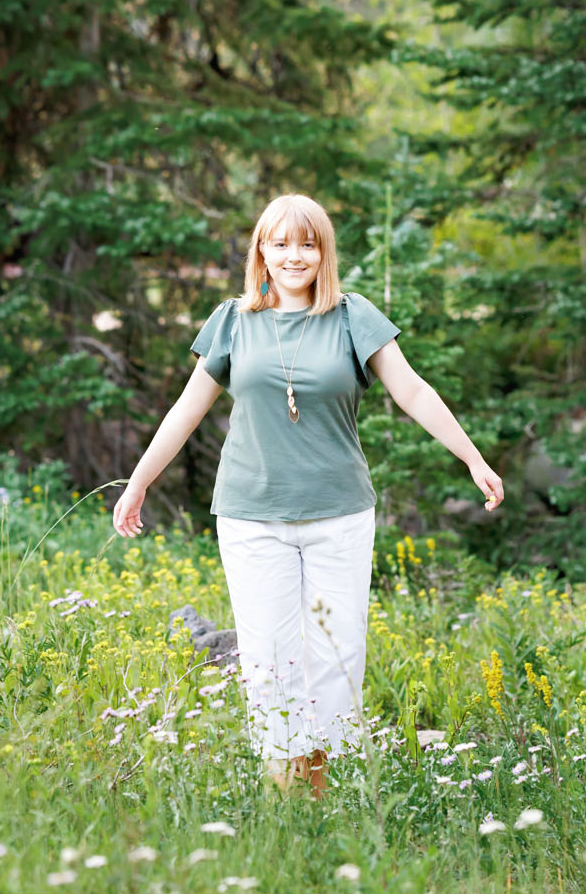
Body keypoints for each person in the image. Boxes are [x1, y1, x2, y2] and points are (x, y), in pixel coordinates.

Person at [110, 194, 504, 799]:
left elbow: (415, 392)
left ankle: (323, 794)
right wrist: (138, 482)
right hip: (251, 515)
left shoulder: (353, 317)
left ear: (324, 252)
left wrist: (472, 457)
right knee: (269, 660)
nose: (294, 256)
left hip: (339, 514)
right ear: (261, 251)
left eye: (308, 243)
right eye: (280, 243)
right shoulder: (233, 321)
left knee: (336, 655)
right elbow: (186, 410)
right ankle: (283, 798)